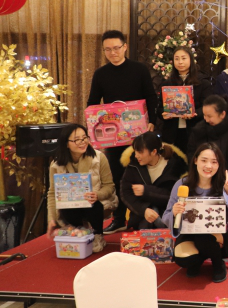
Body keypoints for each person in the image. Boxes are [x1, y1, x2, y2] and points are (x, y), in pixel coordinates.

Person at [87, 30, 157, 235]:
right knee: (117, 176)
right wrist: (93, 129)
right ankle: (119, 218)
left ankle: (143, 217)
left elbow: (151, 97)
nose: (113, 52)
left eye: (116, 48)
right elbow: (92, 103)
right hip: (113, 136)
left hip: (139, 134)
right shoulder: (100, 74)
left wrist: (152, 122)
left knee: (142, 174)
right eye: (107, 49)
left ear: (125, 47)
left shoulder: (139, 69)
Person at [162, 143, 228, 283]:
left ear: (219, 165)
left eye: (214, 162)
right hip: (189, 233)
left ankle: (218, 263)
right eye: (204, 160)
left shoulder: (223, 184)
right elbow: (166, 216)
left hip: (216, 234)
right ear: (195, 161)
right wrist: (174, 213)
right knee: (183, 259)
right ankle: (197, 261)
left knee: (203, 239)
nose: (208, 166)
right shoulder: (182, 184)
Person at [47, 124, 116, 253]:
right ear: (66, 144)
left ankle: (97, 234)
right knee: (65, 203)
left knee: (94, 204)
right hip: (72, 206)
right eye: (76, 140)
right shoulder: (56, 165)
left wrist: (98, 194)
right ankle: (79, 230)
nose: (82, 142)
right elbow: (52, 193)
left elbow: (109, 186)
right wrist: (52, 219)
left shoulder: (99, 157)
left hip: (96, 204)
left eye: (84, 138)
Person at [120, 132, 187, 230]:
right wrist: (143, 210)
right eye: (135, 151)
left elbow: (173, 195)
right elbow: (125, 193)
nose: (136, 156)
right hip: (141, 215)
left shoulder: (174, 165)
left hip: (168, 213)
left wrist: (147, 191)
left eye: (140, 152)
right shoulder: (133, 165)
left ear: (154, 152)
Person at [159, 46, 213, 154]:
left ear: (191, 60)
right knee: (174, 161)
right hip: (172, 133)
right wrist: (163, 114)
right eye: (177, 58)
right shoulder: (167, 84)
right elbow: (160, 107)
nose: (180, 62)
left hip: (195, 130)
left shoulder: (203, 82)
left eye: (184, 58)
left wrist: (194, 113)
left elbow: (208, 106)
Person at [186, 94, 228, 175]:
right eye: (204, 115)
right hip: (203, 176)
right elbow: (192, 156)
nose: (206, 119)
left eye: (209, 116)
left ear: (222, 114)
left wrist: (226, 175)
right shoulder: (198, 130)